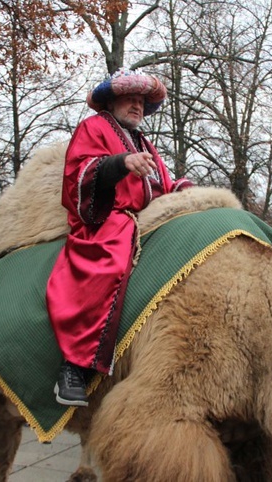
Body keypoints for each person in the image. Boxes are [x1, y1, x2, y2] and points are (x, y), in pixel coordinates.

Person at [46, 68, 193, 406]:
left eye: (142, 101)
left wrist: (185, 191)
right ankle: (74, 367)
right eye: (131, 98)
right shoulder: (92, 127)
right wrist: (120, 163)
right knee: (110, 259)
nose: (137, 105)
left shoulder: (145, 142)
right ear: (111, 101)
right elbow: (78, 176)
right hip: (107, 220)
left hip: (146, 218)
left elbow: (163, 187)